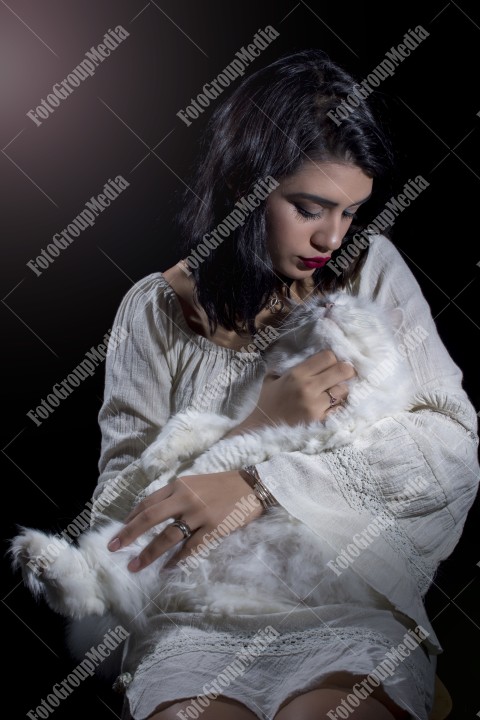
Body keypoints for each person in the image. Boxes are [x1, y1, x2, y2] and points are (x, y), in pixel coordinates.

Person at [90, 49, 479, 720]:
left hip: (348, 605)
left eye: (351, 213)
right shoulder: (153, 311)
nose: (332, 237)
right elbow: (115, 527)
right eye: (309, 207)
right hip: (198, 620)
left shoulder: (368, 274)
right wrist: (257, 427)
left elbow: (450, 451)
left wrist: (258, 485)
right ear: (245, 187)